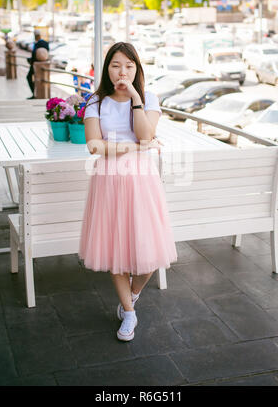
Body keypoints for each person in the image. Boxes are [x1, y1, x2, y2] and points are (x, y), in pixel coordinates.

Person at [79, 42, 177, 342]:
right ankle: (128, 312)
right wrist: (134, 148)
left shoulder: (149, 98)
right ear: (107, 68)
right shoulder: (95, 102)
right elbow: (95, 146)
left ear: (137, 69)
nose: (122, 71)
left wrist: (135, 96)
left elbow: (147, 133)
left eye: (129, 66)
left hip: (141, 181)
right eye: (116, 65)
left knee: (148, 256)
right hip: (108, 181)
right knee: (114, 250)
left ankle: (132, 296)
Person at [26, 30, 49, 99]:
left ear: (37, 36)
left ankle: (35, 94)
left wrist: (32, 60)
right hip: (35, 64)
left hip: (37, 65)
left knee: (31, 78)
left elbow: (41, 54)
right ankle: (35, 93)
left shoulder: (41, 43)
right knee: (32, 78)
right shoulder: (42, 43)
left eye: (35, 36)